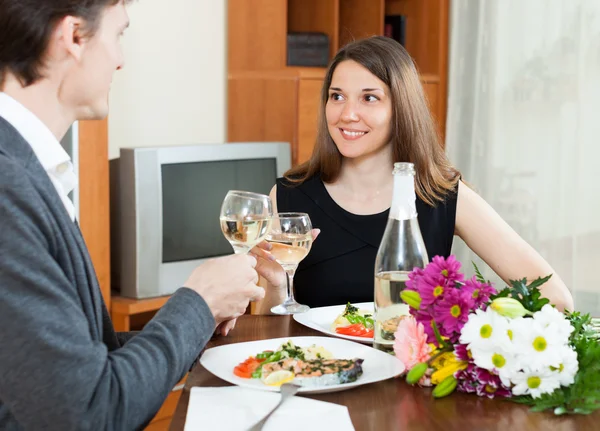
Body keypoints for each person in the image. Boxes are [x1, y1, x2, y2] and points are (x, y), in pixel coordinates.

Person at [0, 1, 282, 429]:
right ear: (73, 37)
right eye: (119, 35)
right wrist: (199, 303)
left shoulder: (28, 170)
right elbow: (89, 411)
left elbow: (89, 359)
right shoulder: (8, 186)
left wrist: (198, 325)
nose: (120, 60)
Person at [255, 36, 574, 313]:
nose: (347, 114)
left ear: (401, 108)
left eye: (369, 98)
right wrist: (274, 287)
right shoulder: (287, 196)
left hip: (409, 379)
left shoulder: (443, 195)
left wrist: (474, 329)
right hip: (320, 378)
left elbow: (555, 298)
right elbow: (265, 326)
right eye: (337, 96)